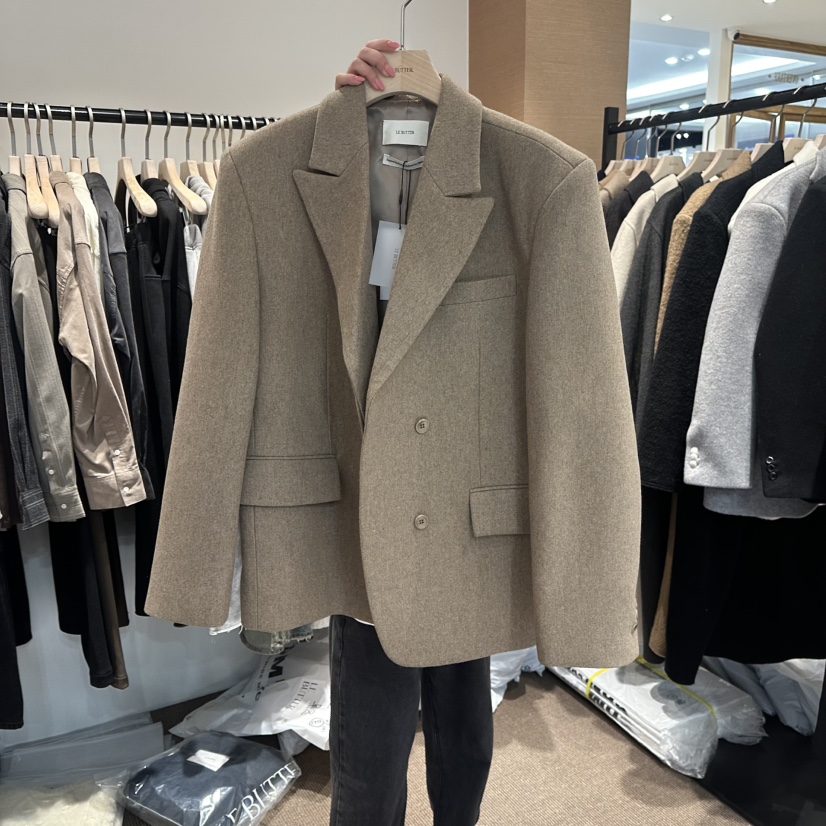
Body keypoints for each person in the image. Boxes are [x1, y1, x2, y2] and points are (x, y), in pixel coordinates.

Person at [323, 41, 495, 826]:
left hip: (464, 493)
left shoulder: (512, 171)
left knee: (463, 721)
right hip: (368, 490)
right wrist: (343, 125)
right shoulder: (323, 170)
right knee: (372, 734)